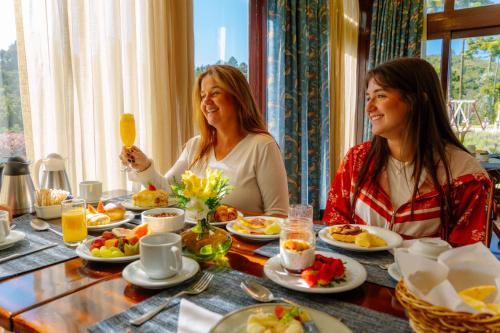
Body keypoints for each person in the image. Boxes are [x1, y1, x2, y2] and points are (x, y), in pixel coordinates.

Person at [322, 58, 491, 246]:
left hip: (425, 275)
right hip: (357, 273)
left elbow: (467, 254)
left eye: (380, 96)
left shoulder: (462, 175)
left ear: (418, 100)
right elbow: (334, 224)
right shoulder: (358, 159)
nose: (369, 108)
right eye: (369, 97)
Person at [120, 65, 289, 217]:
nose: (206, 102)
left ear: (238, 98)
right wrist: (144, 167)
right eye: (202, 96)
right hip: (197, 243)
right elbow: (167, 193)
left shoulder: (262, 146)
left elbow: (279, 216)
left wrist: (223, 213)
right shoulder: (195, 145)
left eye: (215, 93)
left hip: (242, 247)